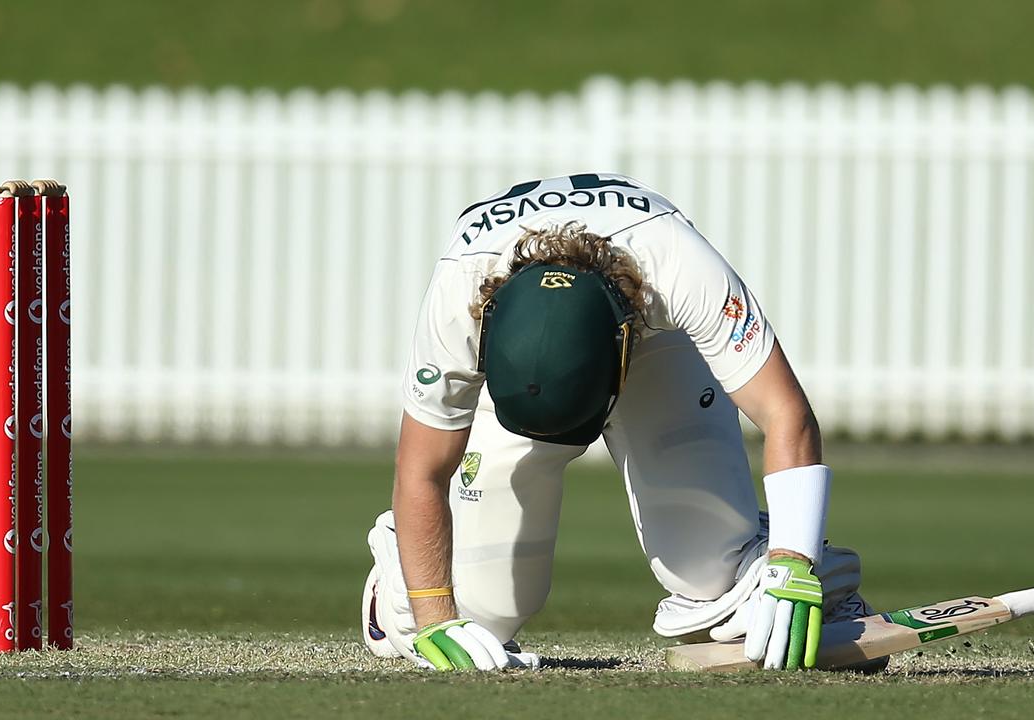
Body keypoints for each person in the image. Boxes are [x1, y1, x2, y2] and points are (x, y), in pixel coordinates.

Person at [363, 172, 879, 672]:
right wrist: (433, 616)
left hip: (654, 332)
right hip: (534, 352)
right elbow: (420, 470)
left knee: (710, 573)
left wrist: (792, 562)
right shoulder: (459, 299)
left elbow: (787, 413)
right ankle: (394, 584)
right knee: (477, 614)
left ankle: (812, 576)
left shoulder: (678, 267)